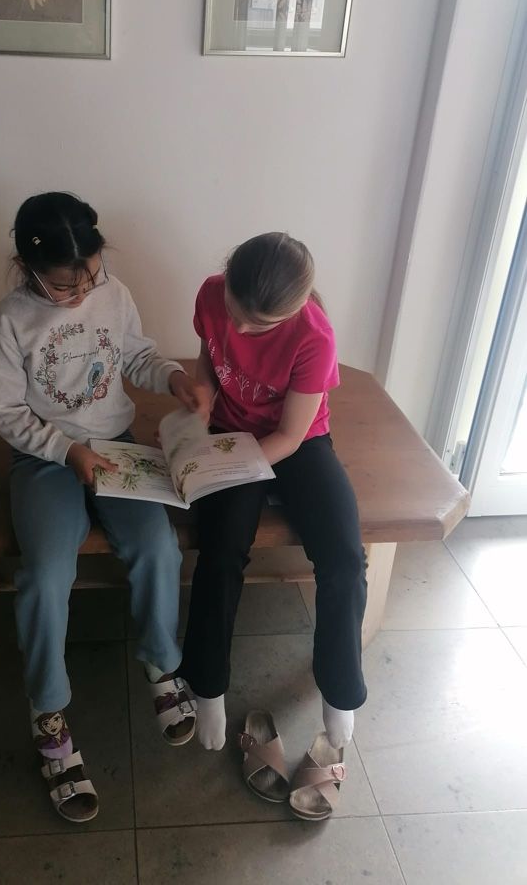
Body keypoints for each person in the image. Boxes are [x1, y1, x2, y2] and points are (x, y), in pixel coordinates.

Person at [0, 192, 202, 823]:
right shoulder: (9, 320)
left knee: (158, 547)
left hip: (116, 448)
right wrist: (65, 450)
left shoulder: (113, 292)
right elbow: (6, 413)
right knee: (46, 573)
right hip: (44, 459)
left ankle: (162, 666)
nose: (80, 293)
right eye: (62, 286)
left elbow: (135, 354)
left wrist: (173, 377)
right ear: (28, 267)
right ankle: (48, 710)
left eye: (90, 277)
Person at [178, 232, 367, 776]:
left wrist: (230, 468)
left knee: (344, 557)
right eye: (236, 313)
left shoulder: (314, 336)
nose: (239, 329)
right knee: (220, 549)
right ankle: (207, 685)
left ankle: (340, 689)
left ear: (293, 310)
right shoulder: (211, 293)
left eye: (258, 326)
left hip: (298, 440)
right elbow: (209, 357)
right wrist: (203, 401)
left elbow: (289, 435)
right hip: (230, 430)